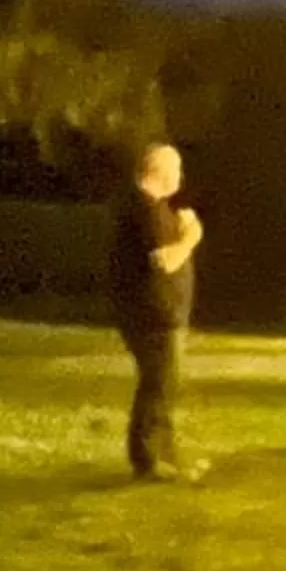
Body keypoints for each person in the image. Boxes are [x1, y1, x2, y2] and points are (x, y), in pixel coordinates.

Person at [108, 141, 205, 482]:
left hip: (161, 315)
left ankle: (167, 455)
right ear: (159, 172)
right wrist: (192, 235)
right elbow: (165, 260)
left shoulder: (154, 207)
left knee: (165, 387)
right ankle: (147, 461)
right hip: (152, 317)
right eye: (176, 169)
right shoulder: (144, 210)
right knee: (157, 387)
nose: (180, 176)